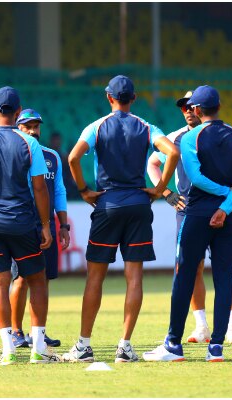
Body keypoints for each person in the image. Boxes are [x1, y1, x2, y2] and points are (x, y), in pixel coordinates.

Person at [64, 75, 179, 363]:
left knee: (95, 277)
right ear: (134, 99)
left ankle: (83, 346)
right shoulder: (146, 127)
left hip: (108, 204)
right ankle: (125, 346)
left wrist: (83, 190)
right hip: (139, 204)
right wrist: (159, 188)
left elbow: (73, 158)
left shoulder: (97, 126)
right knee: (134, 277)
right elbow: (173, 152)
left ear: (108, 97)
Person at [143, 85, 232, 362]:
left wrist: (217, 198)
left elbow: (195, 178)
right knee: (225, 274)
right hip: (229, 214)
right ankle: (216, 346)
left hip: (197, 211)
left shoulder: (190, 138)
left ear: (196, 109)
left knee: (184, 275)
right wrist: (228, 203)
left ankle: (173, 344)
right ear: (219, 106)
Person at [0, 86, 61, 364]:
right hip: (21, 222)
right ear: (18, 112)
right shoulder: (29, 144)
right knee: (37, 280)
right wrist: (45, 225)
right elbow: (40, 188)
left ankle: (7, 350)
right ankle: (38, 349)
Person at [9, 109, 69, 349]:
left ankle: (38, 333)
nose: (33, 130)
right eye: (27, 126)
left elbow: (59, 191)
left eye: (36, 126)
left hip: (48, 226)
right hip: (22, 225)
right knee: (21, 278)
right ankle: (16, 331)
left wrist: (63, 225)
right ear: (18, 127)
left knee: (43, 280)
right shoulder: (13, 154)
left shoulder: (52, 156)